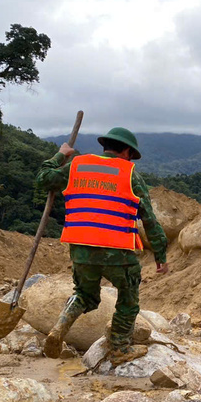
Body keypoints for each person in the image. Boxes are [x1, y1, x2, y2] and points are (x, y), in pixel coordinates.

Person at [34, 127, 169, 364]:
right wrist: (160, 254)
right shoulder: (130, 174)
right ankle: (119, 347)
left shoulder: (77, 165)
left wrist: (60, 154)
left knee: (85, 295)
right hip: (117, 251)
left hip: (81, 248)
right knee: (128, 299)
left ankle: (59, 327)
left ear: (105, 146)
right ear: (127, 151)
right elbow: (148, 218)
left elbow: (43, 179)